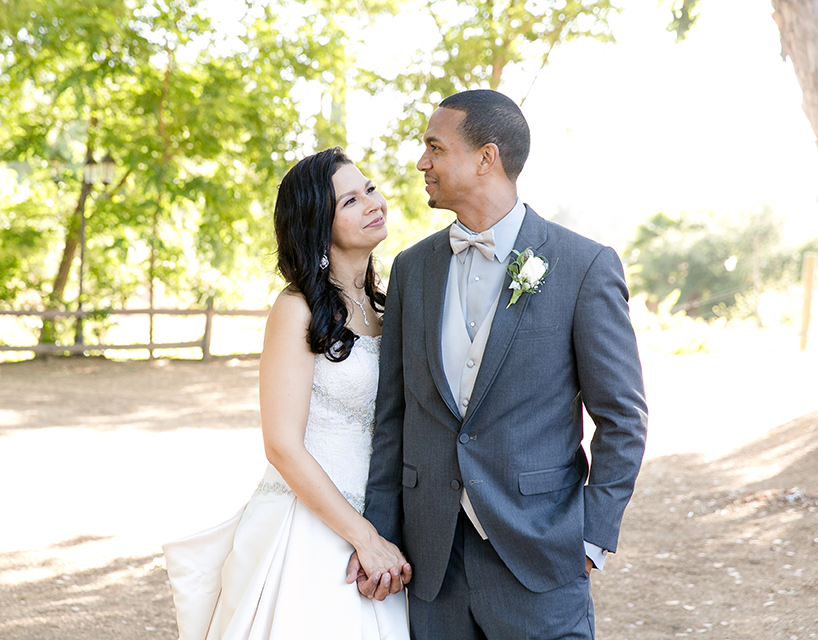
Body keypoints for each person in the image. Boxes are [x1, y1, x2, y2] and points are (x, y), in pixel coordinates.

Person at [348, 90, 648, 638]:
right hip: (431, 564)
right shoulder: (412, 269)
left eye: (435, 148)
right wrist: (380, 536)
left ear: (487, 158)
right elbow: (393, 418)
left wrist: (591, 537)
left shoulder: (584, 266)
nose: (421, 163)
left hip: (541, 558)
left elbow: (623, 419)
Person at [162, 147, 411, 639]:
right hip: (315, 527)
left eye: (370, 190)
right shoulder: (296, 310)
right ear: (318, 225)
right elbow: (280, 444)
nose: (372, 203)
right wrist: (363, 539)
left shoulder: (390, 308)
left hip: (382, 514)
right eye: (350, 202)